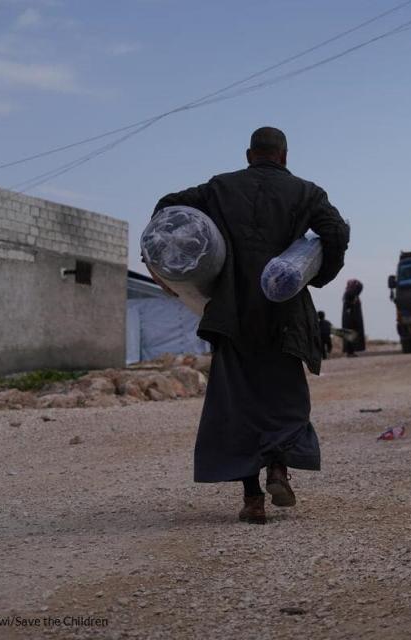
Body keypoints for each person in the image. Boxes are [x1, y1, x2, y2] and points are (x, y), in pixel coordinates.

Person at [151, 126, 349, 525]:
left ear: (248, 155)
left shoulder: (220, 188)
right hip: (284, 312)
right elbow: (336, 232)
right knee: (283, 398)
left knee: (237, 405)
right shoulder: (306, 192)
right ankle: (278, 469)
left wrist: (175, 261)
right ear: (285, 156)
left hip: (232, 312)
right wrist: (314, 271)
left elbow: (168, 206)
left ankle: (252, 499)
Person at [342, 279, 366, 357]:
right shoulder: (349, 294)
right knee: (350, 334)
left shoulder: (352, 295)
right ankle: (350, 352)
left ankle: (351, 352)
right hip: (350, 319)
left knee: (352, 335)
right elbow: (359, 287)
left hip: (352, 318)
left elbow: (360, 287)